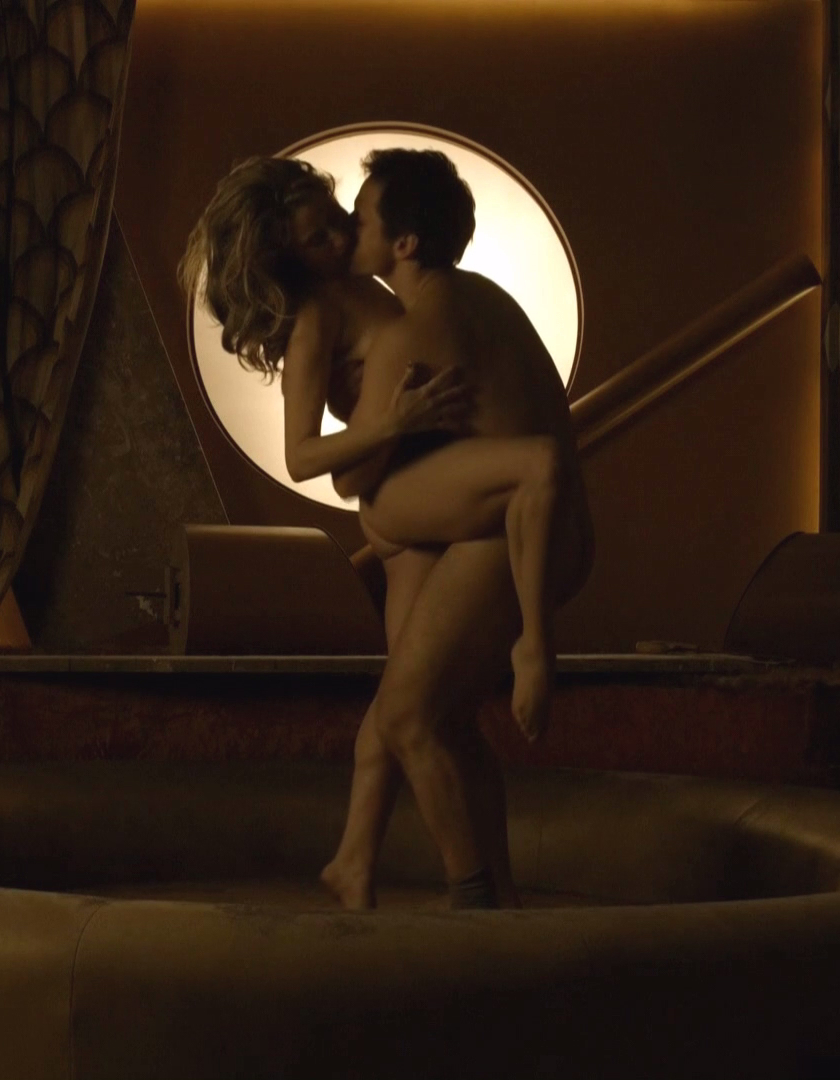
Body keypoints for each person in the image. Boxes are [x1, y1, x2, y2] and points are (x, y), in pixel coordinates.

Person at [179, 152, 593, 910]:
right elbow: (309, 461)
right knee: (414, 710)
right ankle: (428, 881)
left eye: (342, 220)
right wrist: (393, 425)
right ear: (287, 257)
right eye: (319, 237)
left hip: (444, 500)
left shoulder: (390, 289)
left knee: (418, 709)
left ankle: (419, 878)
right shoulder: (317, 318)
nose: (341, 238)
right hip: (418, 500)